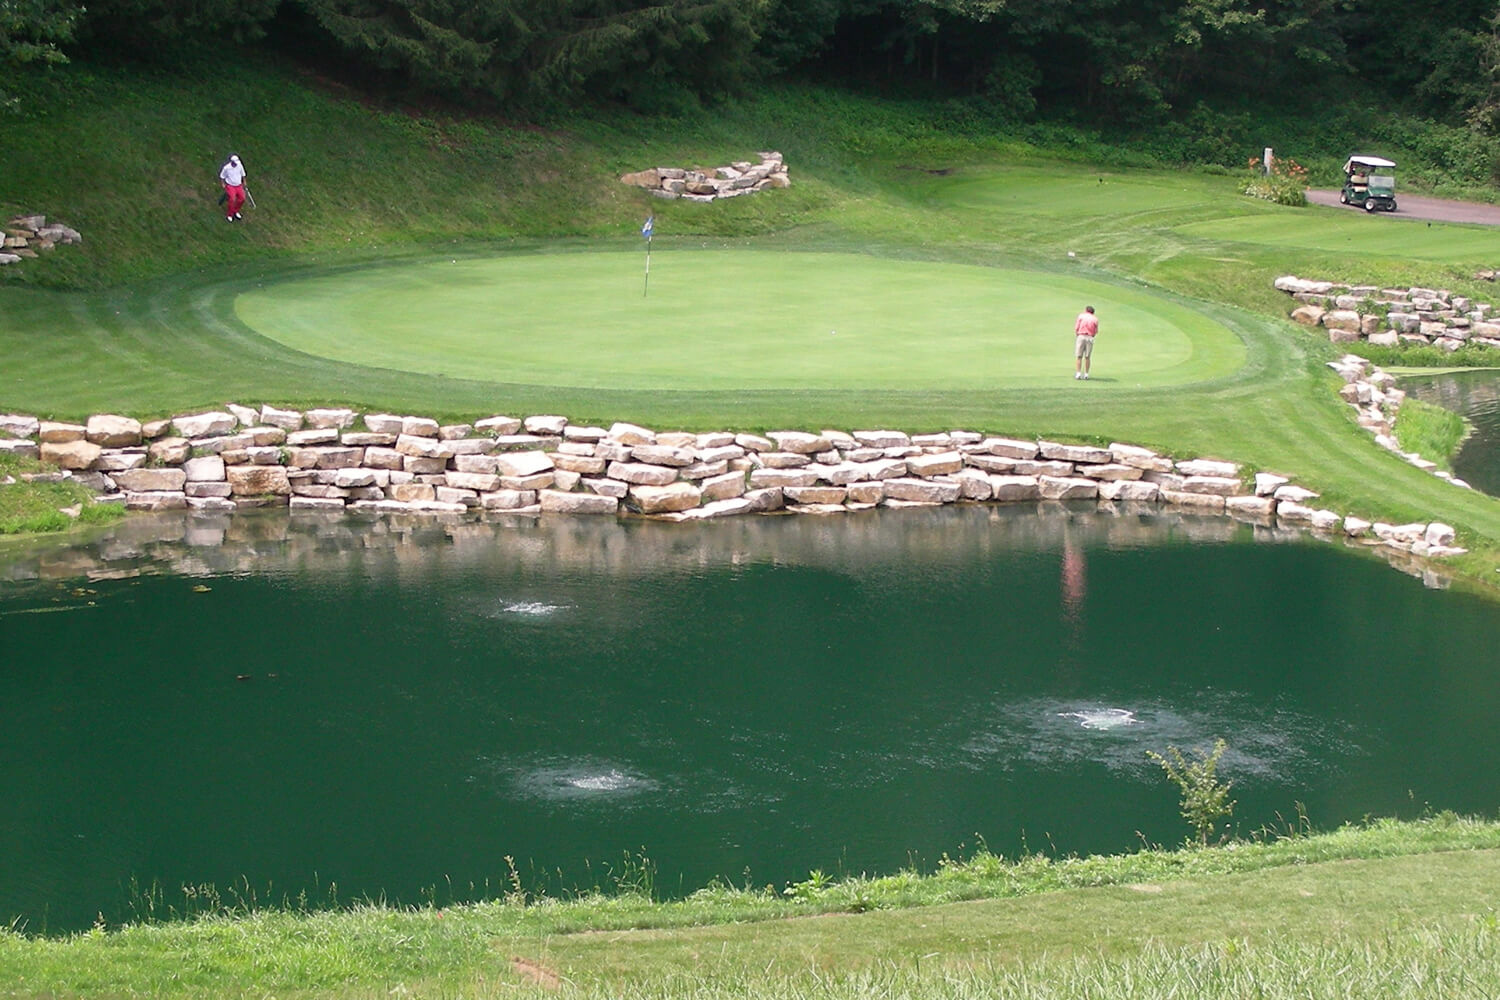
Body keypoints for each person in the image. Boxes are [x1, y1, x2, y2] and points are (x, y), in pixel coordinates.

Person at [219, 154, 247, 222]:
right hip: (230, 185)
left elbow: (243, 174)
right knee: (232, 199)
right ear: (232, 162)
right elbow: (222, 176)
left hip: (238, 185)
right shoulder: (226, 168)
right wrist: (223, 183)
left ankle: (235, 211)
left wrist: (244, 182)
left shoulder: (239, 165)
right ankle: (230, 214)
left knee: (242, 198)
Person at [1073, 305, 1098, 380]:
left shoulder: (1081, 316)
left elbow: (1076, 327)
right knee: (1087, 357)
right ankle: (1086, 374)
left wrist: (1077, 334)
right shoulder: (1095, 319)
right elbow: (1095, 331)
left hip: (1081, 336)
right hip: (1090, 337)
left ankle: (1078, 374)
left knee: (1079, 356)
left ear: (1086, 310)